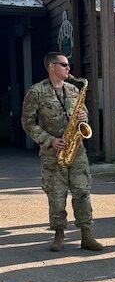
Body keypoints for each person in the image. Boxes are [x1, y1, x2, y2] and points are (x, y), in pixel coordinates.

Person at [21, 51, 103, 252]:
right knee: (56, 195)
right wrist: (49, 140)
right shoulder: (36, 92)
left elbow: (82, 115)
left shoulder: (74, 90)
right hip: (53, 152)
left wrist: (84, 116)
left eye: (68, 65)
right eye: (64, 65)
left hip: (77, 150)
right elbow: (27, 123)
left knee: (82, 191)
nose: (68, 68)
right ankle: (59, 234)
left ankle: (86, 234)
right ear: (52, 67)